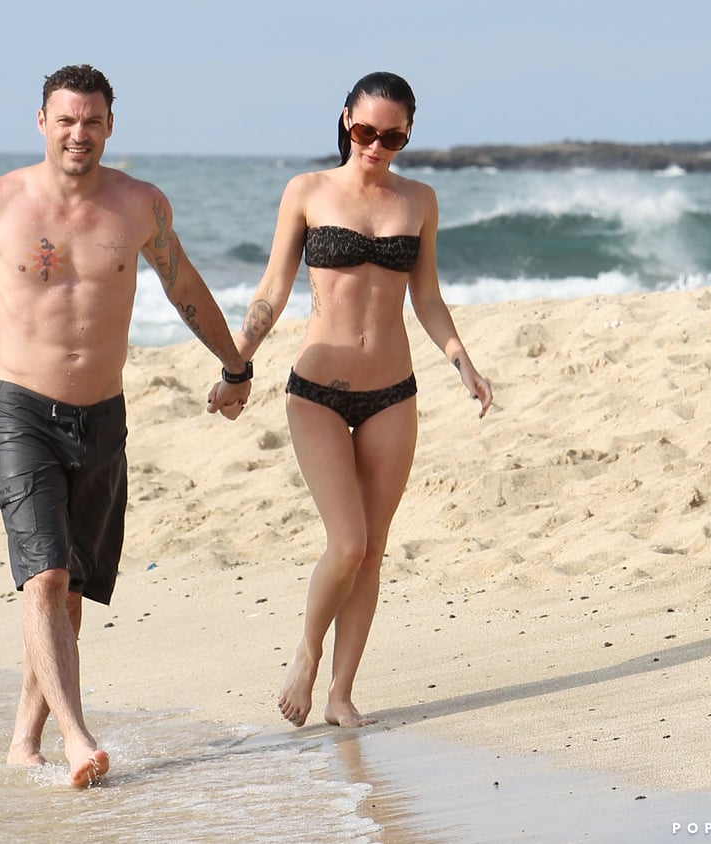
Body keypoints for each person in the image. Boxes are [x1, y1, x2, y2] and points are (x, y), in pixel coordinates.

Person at [0, 64, 252, 787]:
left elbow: (182, 285)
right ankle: (76, 736)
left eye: (91, 120)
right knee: (44, 572)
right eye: (65, 119)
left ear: (110, 125)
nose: (78, 132)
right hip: (19, 409)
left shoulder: (140, 205)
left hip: (104, 416)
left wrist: (235, 366)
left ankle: (23, 740)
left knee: (70, 592)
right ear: (41, 122)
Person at [231, 71, 493, 729]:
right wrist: (236, 361)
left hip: (393, 394)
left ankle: (342, 694)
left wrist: (461, 361)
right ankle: (307, 652)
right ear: (346, 119)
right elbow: (270, 289)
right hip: (315, 391)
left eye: (392, 135)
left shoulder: (420, 200)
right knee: (346, 542)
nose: (375, 144)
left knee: (373, 550)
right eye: (364, 130)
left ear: (408, 134)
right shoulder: (308, 192)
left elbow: (426, 297)